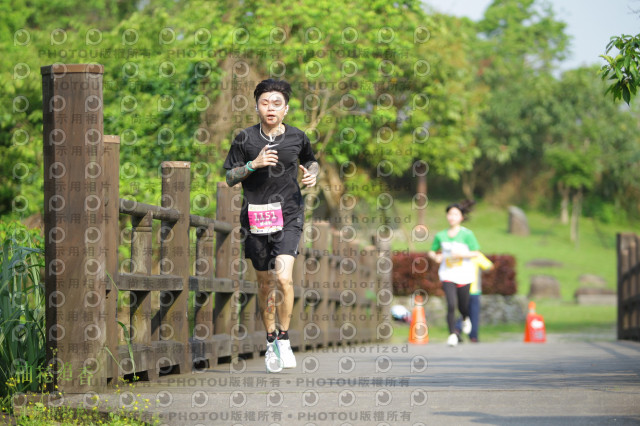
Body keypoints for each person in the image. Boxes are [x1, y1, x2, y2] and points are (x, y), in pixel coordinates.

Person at [223, 79, 319, 372]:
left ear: (286, 108)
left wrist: (313, 174)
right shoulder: (245, 139)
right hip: (255, 218)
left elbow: (312, 161)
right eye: (265, 102)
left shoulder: (298, 137)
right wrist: (254, 164)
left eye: (276, 103)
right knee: (265, 284)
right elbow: (229, 176)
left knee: (284, 278)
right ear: (257, 107)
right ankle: (270, 341)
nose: (270, 108)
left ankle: (285, 338)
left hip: (289, 215)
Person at [428, 200, 480, 347]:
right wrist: (435, 257)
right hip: (447, 274)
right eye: (450, 214)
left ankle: (464, 318)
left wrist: (462, 255)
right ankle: (452, 334)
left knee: (463, 305)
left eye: (455, 214)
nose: (452, 217)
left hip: (464, 274)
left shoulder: (467, 234)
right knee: (451, 304)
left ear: (461, 217)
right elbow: (432, 251)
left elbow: (476, 252)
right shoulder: (441, 235)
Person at [456, 252, 494, 342]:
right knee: (473, 314)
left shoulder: (459, 255)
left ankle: (457, 329)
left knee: (463, 311)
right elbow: (490, 266)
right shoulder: (477, 255)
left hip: (461, 288)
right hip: (474, 290)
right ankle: (473, 336)